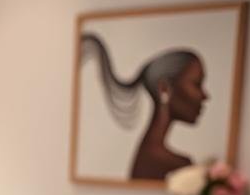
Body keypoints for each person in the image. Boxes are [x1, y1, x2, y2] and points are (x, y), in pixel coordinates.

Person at [81, 33, 209, 181]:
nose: (205, 96)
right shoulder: (174, 164)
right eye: (197, 84)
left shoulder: (153, 156)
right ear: (164, 89)